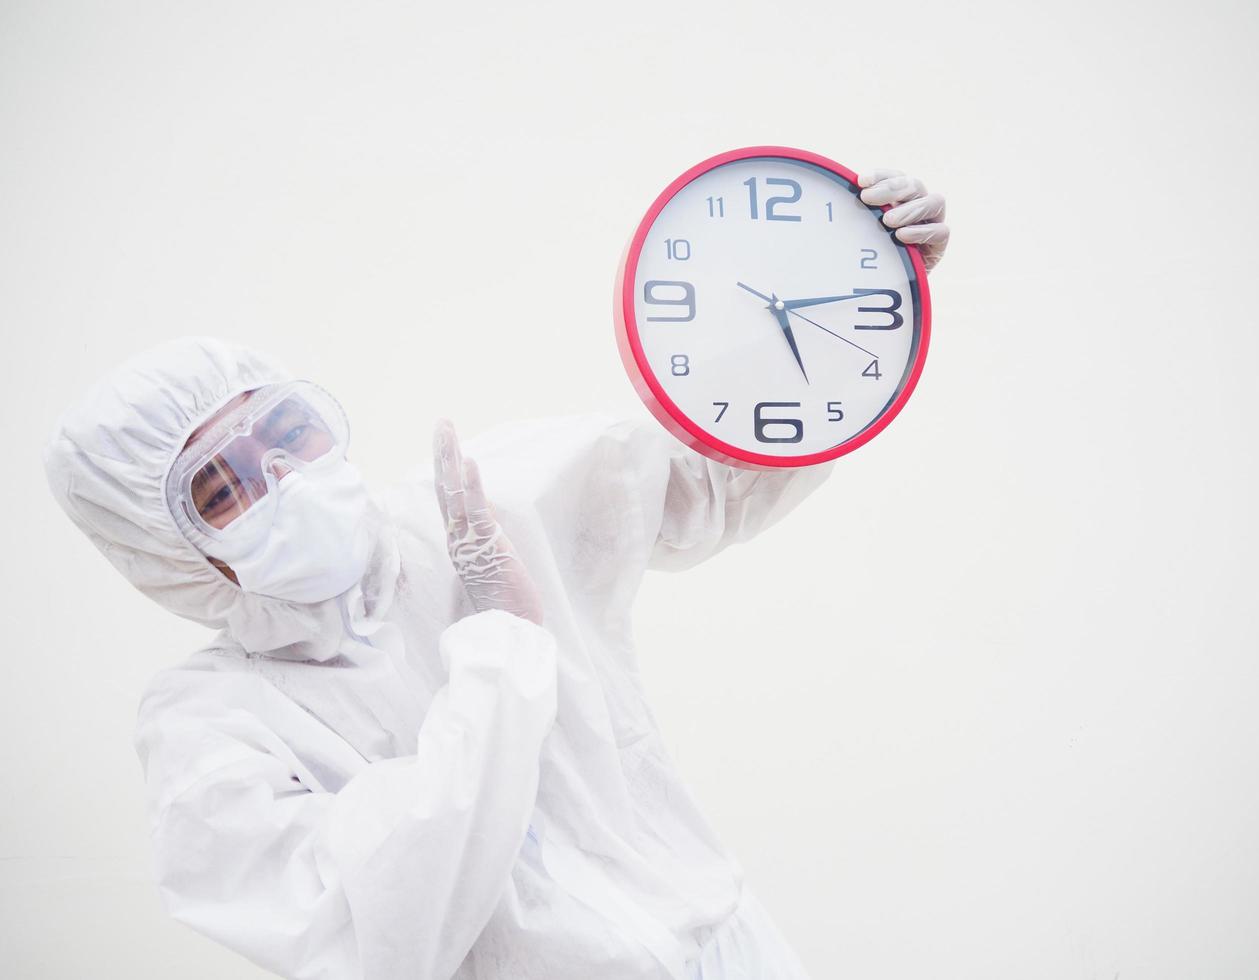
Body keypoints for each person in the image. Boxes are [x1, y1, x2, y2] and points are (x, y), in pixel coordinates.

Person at [43, 170, 948, 980]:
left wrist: (861, 290)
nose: (279, 478)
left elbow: (719, 469)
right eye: (219, 486)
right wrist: (500, 651)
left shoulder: (485, 503)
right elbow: (382, 934)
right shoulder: (211, 728)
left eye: (285, 431)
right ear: (165, 552)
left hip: (730, 947)